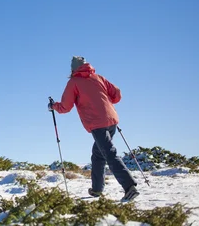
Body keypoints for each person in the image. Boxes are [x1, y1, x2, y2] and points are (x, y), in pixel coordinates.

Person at [48, 56, 139, 201]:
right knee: (98, 154)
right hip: (111, 120)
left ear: (73, 69)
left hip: (98, 123)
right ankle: (97, 189)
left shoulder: (74, 82)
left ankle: (130, 187)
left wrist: (53, 106)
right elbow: (117, 94)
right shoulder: (98, 77)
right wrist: (106, 102)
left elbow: (65, 107)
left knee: (109, 154)